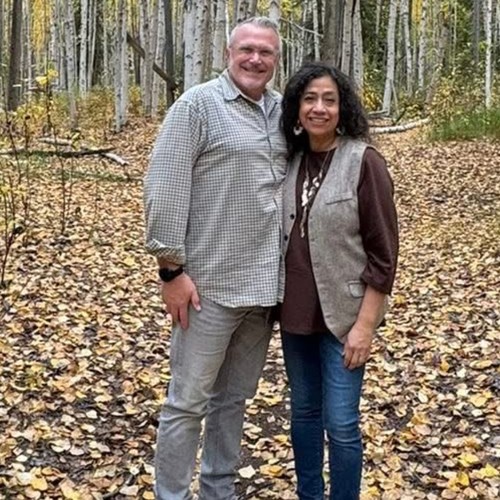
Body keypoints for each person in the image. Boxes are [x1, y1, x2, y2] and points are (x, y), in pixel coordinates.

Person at [143, 17, 286, 500]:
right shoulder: (197, 106)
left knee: (234, 401)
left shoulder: (282, 112)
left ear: (276, 59)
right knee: (187, 403)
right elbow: (164, 188)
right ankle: (172, 495)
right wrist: (171, 270)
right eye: (247, 49)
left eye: (265, 52)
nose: (255, 59)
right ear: (228, 53)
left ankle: (218, 490)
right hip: (208, 289)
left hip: (264, 292)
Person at [279, 62, 399, 500]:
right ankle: (310, 494)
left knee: (343, 423)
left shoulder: (363, 162)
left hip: (345, 319)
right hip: (295, 315)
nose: (319, 108)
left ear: (342, 107)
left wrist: (365, 327)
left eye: (329, 100)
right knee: (304, 414)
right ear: (296, 108)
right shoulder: (290, 161)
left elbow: (384, 256)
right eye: (309, 99)